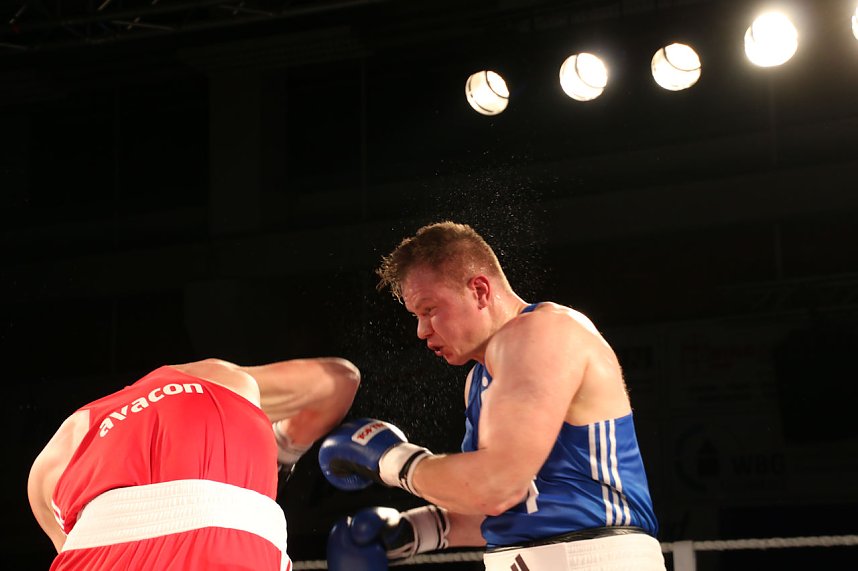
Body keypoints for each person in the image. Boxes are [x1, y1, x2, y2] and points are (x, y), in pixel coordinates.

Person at [318, 221, 665, 570]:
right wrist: (415, 530)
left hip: (594, 558)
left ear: (480, 290)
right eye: (416, 316)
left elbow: (498, 485)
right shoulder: (479, 380)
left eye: (429, 310)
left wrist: (392, 460)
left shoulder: (543, 332)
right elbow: (504, 505)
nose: (422, 331)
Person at [28, 356, 360, 571]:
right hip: (231, 536)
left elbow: (78, 549)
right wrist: (279, 453)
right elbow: (341, 379)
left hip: (98, 548)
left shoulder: (62, 443)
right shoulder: (218, 376)